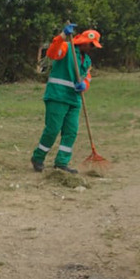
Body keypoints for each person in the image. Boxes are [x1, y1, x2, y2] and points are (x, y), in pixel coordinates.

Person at [31, 25, 101, 174]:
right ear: (83, 42)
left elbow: (87, 77)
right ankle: (38, 157)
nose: (92, 49)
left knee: (71, 132)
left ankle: (61, 162)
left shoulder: (87, 61)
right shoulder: (66, 48)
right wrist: (62, 35)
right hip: (57, 96)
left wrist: (84, 85)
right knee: (53, 130)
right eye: (91, 45)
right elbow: (51, 53)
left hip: (75, 100)